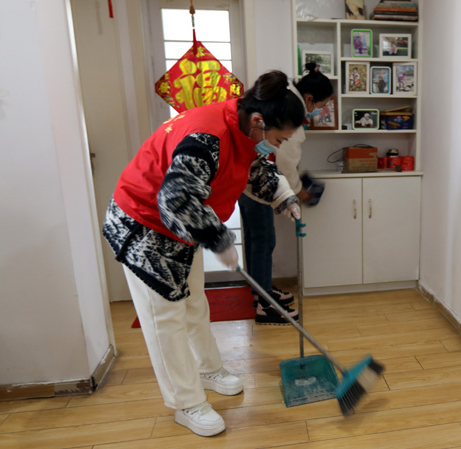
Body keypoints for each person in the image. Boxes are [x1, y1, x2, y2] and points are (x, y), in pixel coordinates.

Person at [101, 70, 304, 437]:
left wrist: (283, 195)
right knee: (165, 318)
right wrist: (220, 240)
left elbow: (254, 166)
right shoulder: (206, 137)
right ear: (259, 121)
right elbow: (176, 198)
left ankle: (208, 370)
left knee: (194, 301)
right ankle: (186, 402)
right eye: (278, 139)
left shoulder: (243, 126)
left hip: (181, 226)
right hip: (143, 222)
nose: (278, 146)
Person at [238, 62, 333, 325]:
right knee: (264, 241)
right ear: (310, 98)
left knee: (256, 240)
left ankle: (261, 291)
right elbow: (285, 164)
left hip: (247, 180)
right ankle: (264, 304)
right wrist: (301, 193)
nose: (321, 110)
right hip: (257, 183)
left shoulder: (285, 102)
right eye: (322, 104)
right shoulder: (294, 116)